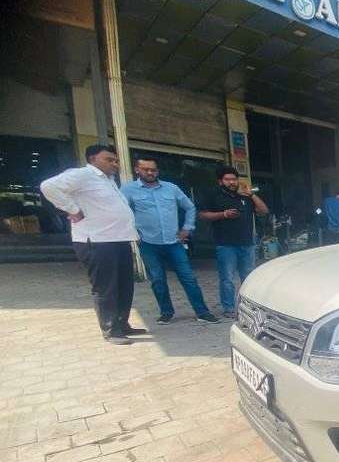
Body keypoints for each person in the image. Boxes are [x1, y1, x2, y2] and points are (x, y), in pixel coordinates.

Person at [40, 144, 145, 345]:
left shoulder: (108, 180)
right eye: (109, 159)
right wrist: (72, 209)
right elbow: (48, 186)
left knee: (124, 284)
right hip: (96, 241)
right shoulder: (82, 175)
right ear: (92, 159)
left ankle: (122, 324)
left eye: (115, 160)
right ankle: (110, 329)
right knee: (106, 286)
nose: (114, 164)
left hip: (119, 239)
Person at [121, 157, 219, 325]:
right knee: (158, 280)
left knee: (188, 278)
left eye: (153, 169)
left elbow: (189, 207)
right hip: (148, 243)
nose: (150, 172)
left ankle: (202, 312)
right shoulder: (128, 190)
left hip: (174, 243)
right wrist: (133, 233)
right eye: (146, 169)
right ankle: (166, 312)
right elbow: (122, 212)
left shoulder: (171, 188)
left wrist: (187, 228)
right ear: (137, 170)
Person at [198, 166, 268, 317]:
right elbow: (203, 215)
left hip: (247, 243)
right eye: (228, 179)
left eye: (234, 179)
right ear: (220, 181)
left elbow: (263, 211)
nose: (232, 182)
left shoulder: (245, 197)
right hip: (225, 244)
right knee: (227, 278)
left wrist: (252, 195)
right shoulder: (214, 196)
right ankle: (229, 308)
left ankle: (249, 306)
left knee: (248, 277)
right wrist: (223, 214)